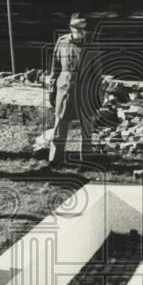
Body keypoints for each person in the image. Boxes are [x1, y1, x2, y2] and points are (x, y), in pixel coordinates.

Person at [48, 12, 102, 168]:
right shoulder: (62, 41)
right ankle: (55, 159)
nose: (78, 30)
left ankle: (84, 160)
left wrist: (97, 94)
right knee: (60, 123)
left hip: (84, 90)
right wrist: (52, 88)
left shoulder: (92, 44)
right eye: (75, 27)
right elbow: (55, 67)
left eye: (82, 27)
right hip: (65, 88)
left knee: (86, 126)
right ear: (70, 27)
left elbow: (97, 72)